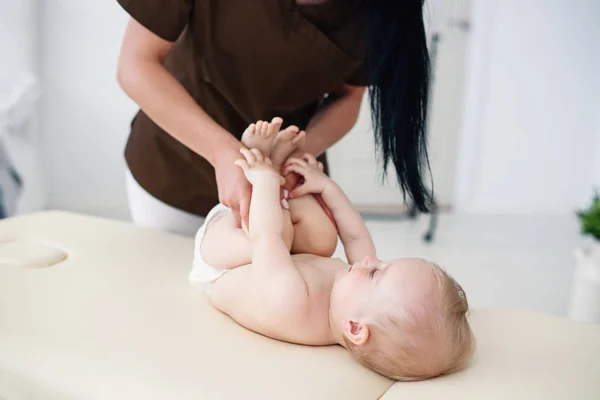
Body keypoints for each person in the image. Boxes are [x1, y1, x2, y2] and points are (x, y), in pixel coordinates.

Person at [116, 0, 433, 236]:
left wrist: (301, 149)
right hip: (173, 172)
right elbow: (135, 65)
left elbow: (349, 97)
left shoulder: (378, 12)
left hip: (283, 193)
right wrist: (222, 152)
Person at [189, 118, 474, 380]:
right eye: (385, 263)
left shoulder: (294, 304)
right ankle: (274, 174)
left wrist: (263, 182)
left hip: (219, 263)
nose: (370, 262)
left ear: (355, 328)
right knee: (323, 235)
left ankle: (261, 169)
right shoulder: (354, 299)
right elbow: (354, 236)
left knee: (281, 236)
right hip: (273, 247)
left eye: (376, 274)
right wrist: (326, 187)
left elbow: (268, 238)